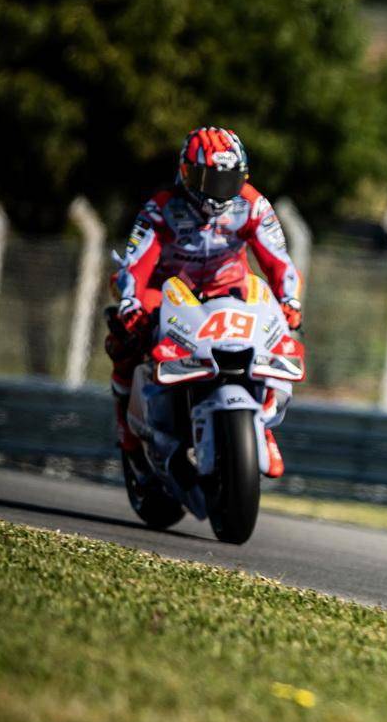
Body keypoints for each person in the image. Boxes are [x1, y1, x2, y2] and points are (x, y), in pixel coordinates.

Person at [106, 126, 304, 476]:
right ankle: (129, 432)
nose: (219, 190)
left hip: (228, 288)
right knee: (126, 337)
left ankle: (262, 423)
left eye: (228, 180)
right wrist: (130, 303)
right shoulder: (161, 208)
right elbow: (134, 264)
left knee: (277, 330)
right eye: (210, 179)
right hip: (167, 289)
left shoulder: (253, 204)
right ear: (186, 174)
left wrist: (289, 300)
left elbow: (279, 261)